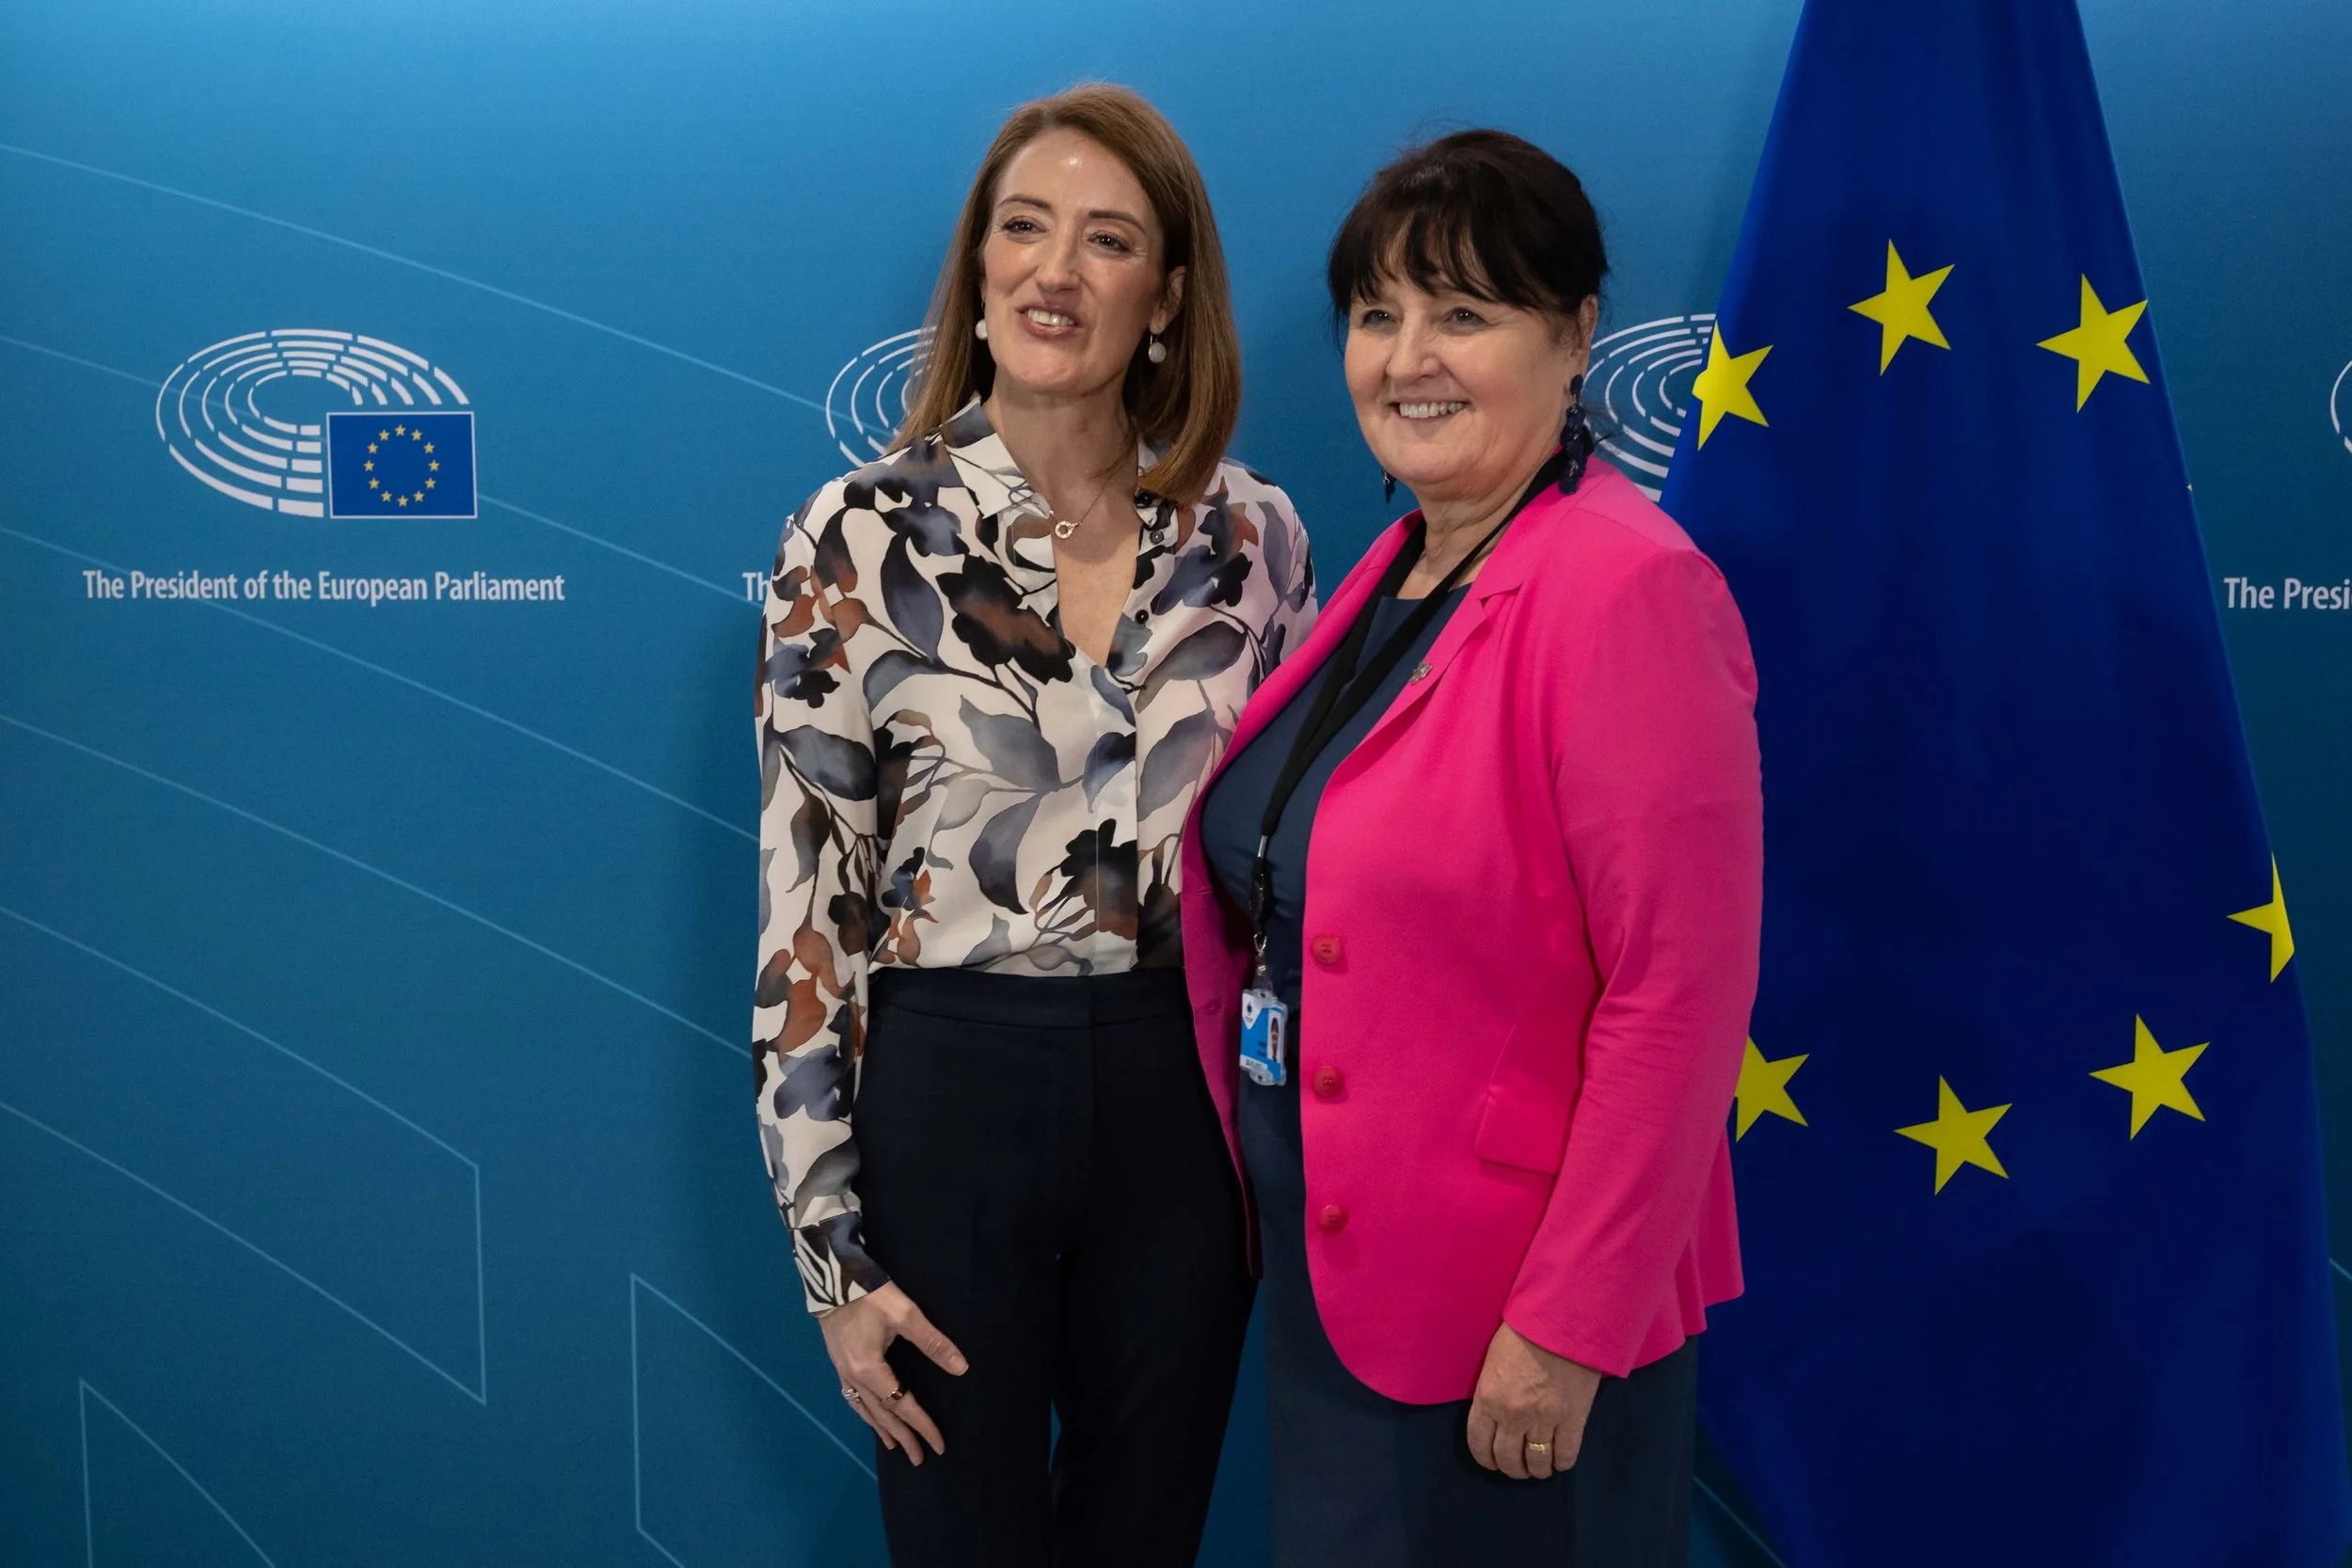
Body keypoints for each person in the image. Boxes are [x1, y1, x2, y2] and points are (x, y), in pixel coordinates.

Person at [753, 84, 1317, 1566]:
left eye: (1108, 238)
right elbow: (807, 905)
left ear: (1167, 296)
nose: (1055, 269)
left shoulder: (1255, 538)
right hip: (949, 1097)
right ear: (980, 267)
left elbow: (1317, 863)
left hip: (1182, 1101)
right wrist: (830, 1256)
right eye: (1025, 226)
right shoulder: (857, 534)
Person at [1184, 130, 1762, 1566]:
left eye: (1464, 312)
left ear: (1577, 341)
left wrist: (1567, 1324)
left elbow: (1677, 997)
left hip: (1509, 1319)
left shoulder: (1629, 588)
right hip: (1344, 1287)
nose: (1408, 355)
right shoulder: (1400, 569)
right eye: (1378, 315)